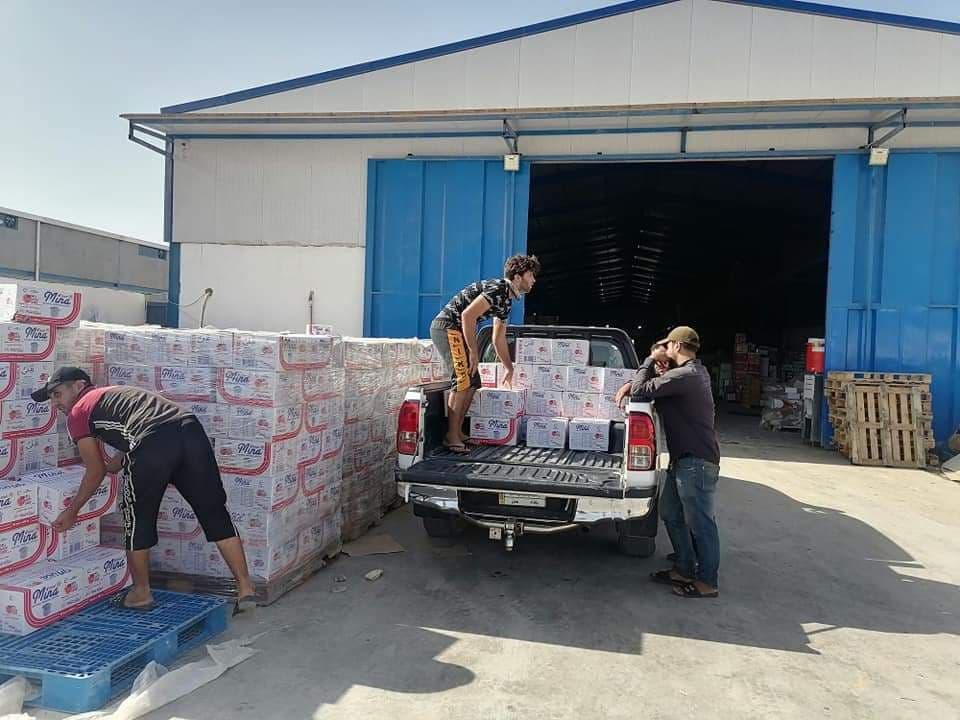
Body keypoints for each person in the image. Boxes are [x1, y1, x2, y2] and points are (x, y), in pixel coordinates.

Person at [31, 367, 256, 611]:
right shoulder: (118, 394)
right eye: (51, 398)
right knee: (213, 512)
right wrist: (114, 465)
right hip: (190, 429)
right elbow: (142, 430)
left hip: (153, 442)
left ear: (79, 385)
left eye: (57, 394)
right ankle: (246, 589)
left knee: (137, 519)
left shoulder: (78, 412)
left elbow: (95, 470)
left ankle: (141, 593)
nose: (55, 403)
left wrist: (72, 511)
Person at [614, 326, 721, 599]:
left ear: (677, 346)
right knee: (671, 513)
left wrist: (650, 359)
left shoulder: (685, 375)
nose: (664, 349)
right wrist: (641, 378)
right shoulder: (689, 373)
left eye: (667, 345)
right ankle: (684, 568)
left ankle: (707, 582)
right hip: (683, 460)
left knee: (701, 523)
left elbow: (641, 390)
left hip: (696, 462)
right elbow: (649, 389)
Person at [430, 254, 540, 453]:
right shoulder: (498, 288)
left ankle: (458, 431)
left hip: (458, 329)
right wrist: (473, 352)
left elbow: (498, 339)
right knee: (462, 379)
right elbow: (467, 316)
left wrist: (509, 368)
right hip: (447, 327)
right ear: (517, 277)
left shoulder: (506, 301)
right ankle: (451, 436)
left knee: (474, 381)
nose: (534, 280)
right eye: (531, 275)